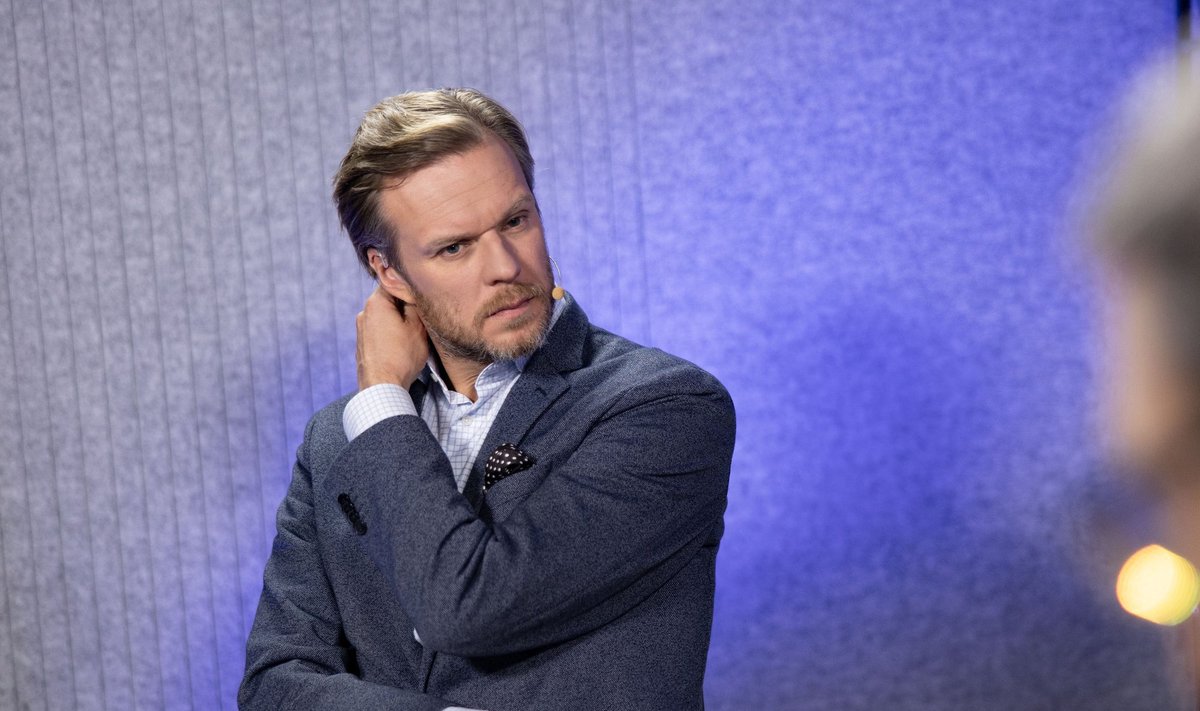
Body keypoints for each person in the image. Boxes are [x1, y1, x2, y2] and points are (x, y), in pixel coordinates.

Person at [238, 88, 736, 711]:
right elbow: (274, 684)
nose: (505, 266)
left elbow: (464, 608)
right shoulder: (338, 439)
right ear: (389, 273)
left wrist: (382, 396)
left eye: (515, 221)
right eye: (455, 247)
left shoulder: (667, 407)